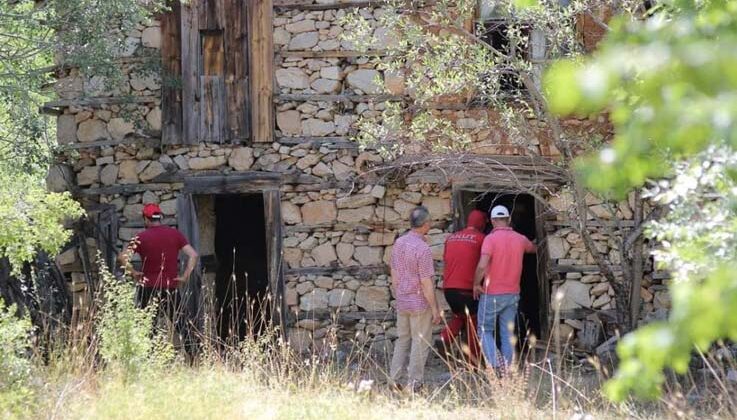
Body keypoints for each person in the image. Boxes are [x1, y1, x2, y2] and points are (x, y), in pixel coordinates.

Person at [117, 203, 199, 350]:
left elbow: (122, 257)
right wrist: (185, 276)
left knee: (147, 327)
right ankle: (195, 357)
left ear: (146, 219)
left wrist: (133, 272)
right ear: (160, 217)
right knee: (182, 324)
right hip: (170, 288)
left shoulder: (141, 237)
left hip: (148, 288)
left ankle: (149, 360)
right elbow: (193, 255)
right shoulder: (175, 234)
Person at [473, 205, 536, 372]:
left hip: (492, 293)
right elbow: (534, 248)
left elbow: (482, 265)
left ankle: (496, 364)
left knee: (484, 330)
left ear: (493, 221)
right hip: (513, 294)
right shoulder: (520, 239)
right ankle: (507, 369)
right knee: (508, 333)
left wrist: (475, 284)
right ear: (508, 219)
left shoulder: (490, 239)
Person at [389, 206, 442, 391]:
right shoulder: (423, 248)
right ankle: (414, 384)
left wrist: (400, 294)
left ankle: (393, 379)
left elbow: (394, 274)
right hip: (419, 302)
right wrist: (435, 309)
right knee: (420, 342)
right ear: (426, 224)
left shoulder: (399, 243)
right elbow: (426, 282)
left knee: (402, 339)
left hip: (402, 300)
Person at [438, 209, 487, 364]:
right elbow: (485, 262)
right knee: (474, 322)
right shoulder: (482, 239)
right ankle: (474, 362)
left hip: (449, 289)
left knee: (460, 316)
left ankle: (444, 337)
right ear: (482, 223)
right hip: (467, 289)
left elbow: (447, 259)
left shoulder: (451, 238)